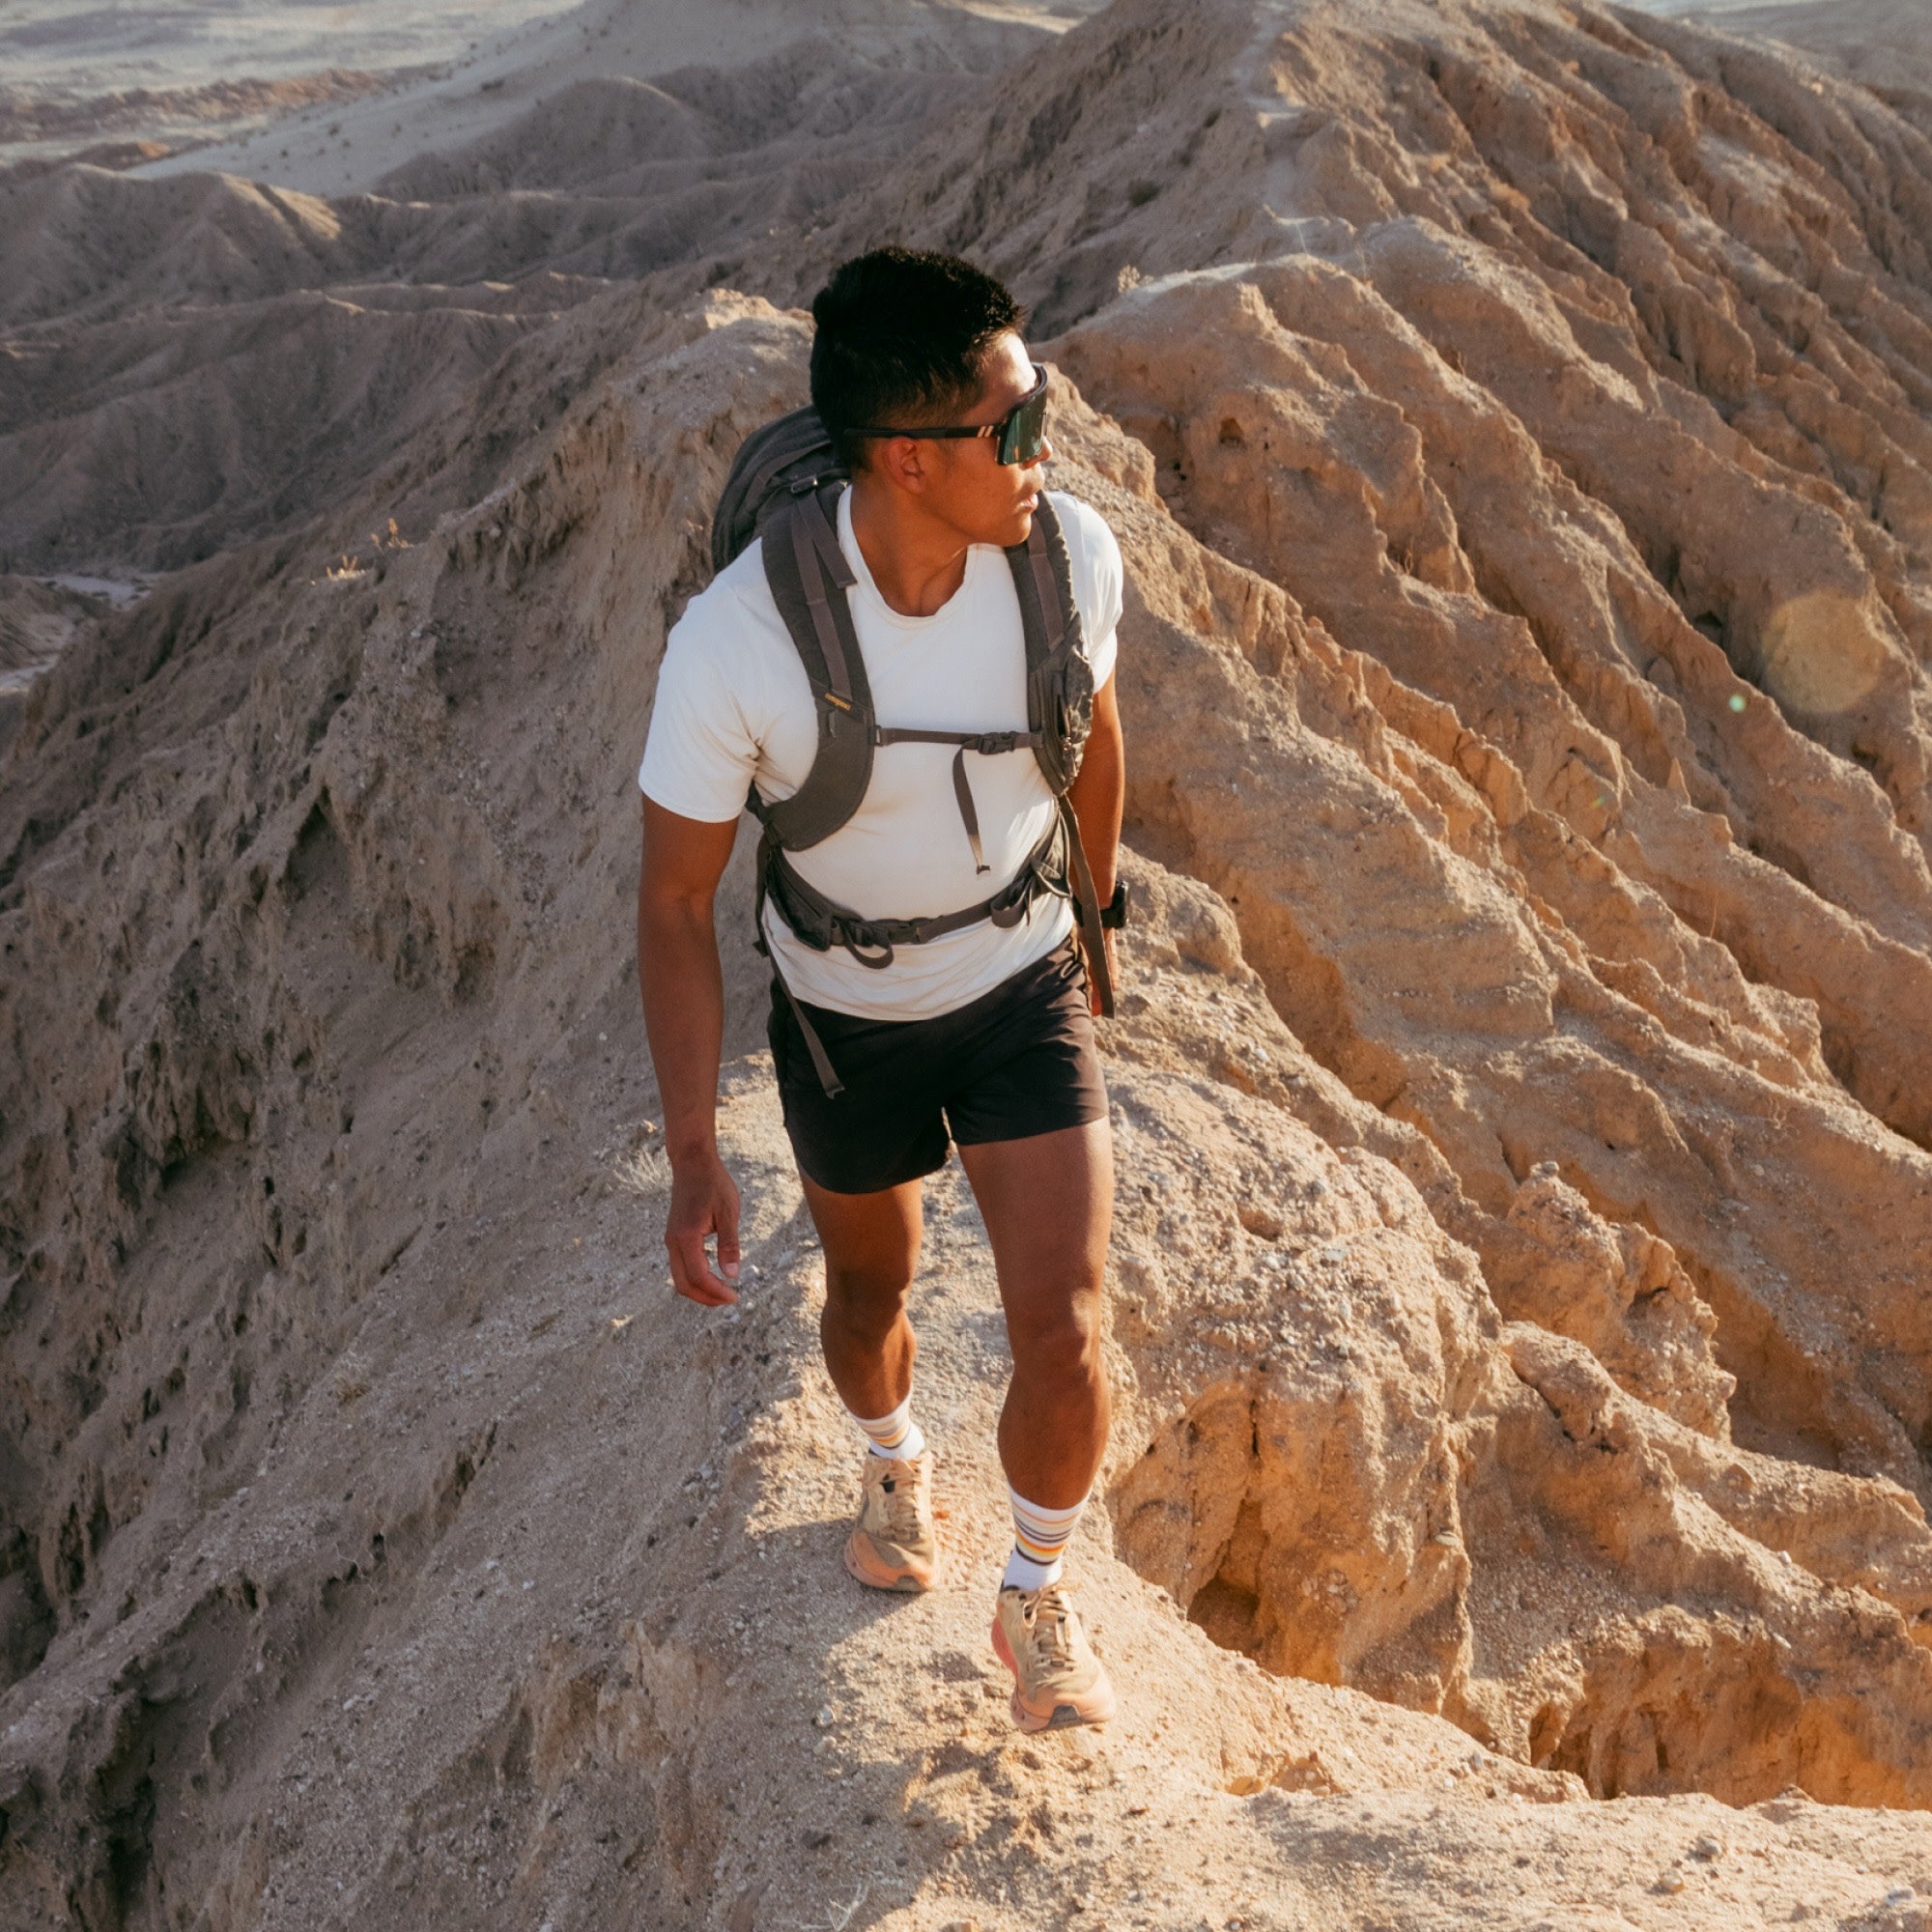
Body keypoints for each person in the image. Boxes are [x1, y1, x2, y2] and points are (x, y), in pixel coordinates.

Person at [635, 247, 1124, 1733]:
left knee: (1069, 1328)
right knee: (869, 1292)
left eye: (1041, 409)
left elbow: (1094, 729)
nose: (1044, 452)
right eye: (1014, 426)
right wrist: (694, 1150)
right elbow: (674, 900)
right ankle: (894, 1461)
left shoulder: (1068, 559)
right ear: (910, 458)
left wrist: (1096, 918)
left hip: (1017, 980)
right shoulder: (741, 642)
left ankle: (1035, 1593)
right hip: (846, 1018)